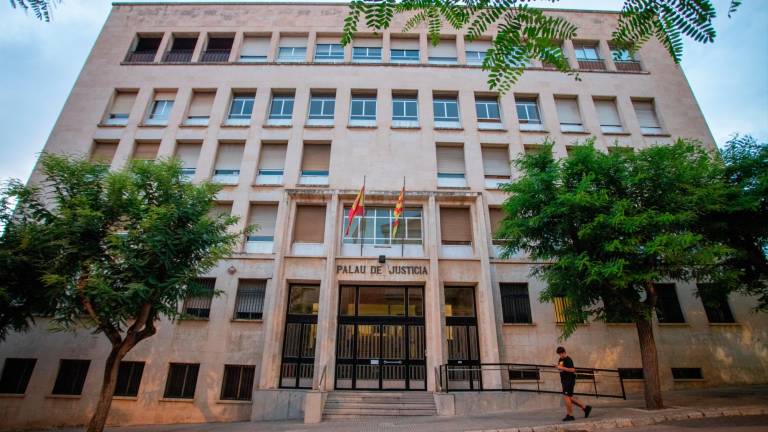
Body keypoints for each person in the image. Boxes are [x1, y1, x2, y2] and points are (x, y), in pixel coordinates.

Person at [555, 346, 592, 422]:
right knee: (569, 397)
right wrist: (558, 367)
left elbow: (572, 370)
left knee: (566, 397)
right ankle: (585, 408)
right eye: (559, 354)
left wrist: (562, 368)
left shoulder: (568, 359)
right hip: (564, 380)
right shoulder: (560, 359)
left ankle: (570, 415)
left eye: (561, 353)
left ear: (564, 352)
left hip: (569, 380)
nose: (560, 355)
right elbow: (561, 369)